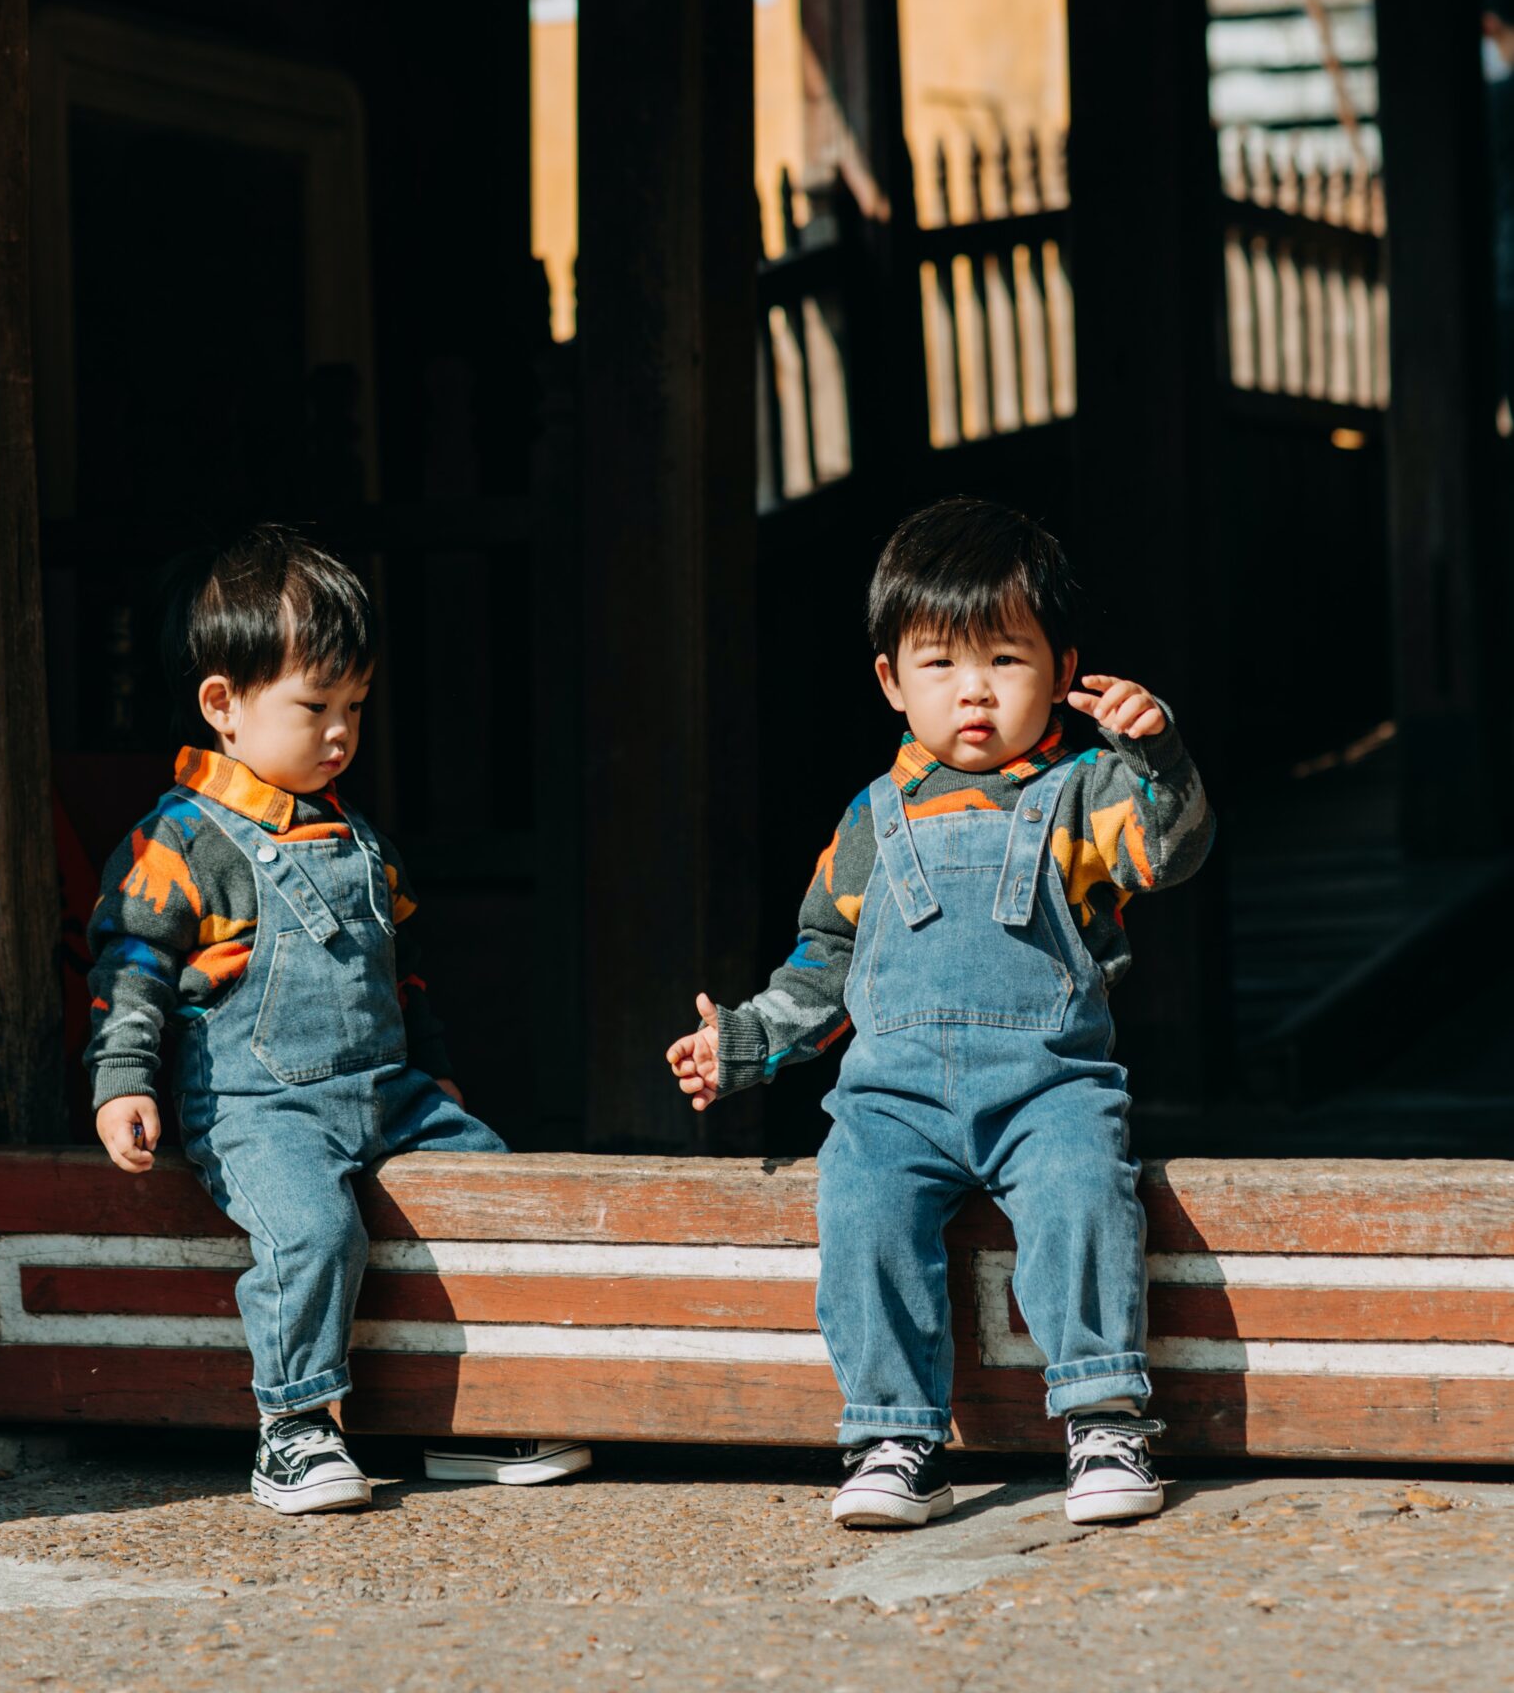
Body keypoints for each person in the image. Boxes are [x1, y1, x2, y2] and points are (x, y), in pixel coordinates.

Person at [665, 497, 1213, 1531]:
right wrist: (741, 1042)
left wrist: (1161, 755)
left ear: (1061, 670)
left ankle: (1103, 1416)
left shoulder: (1085, 791)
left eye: (1007, 660)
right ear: (889, 681)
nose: (974, 692)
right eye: (940, 665)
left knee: (1082, 1189)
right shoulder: (870, 820)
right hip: (894, 1100)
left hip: (1047, 1086)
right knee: (860, 1204)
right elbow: (824, 964)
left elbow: (1170, 848)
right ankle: (893, 1434)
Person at [87, 523, 589, 1513]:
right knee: (317, 1229)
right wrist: (123, 1084)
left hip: (387, 1093)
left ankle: (486, 1408)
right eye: (314, 706)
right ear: (222, 705)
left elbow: (401, 976)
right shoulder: (180, 842)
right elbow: (132, 968)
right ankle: (295, 1426)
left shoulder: (363, 841)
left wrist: (435, 1069)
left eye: (355, 706)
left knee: (490, 1184)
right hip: (257, 1106)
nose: (340, 733)